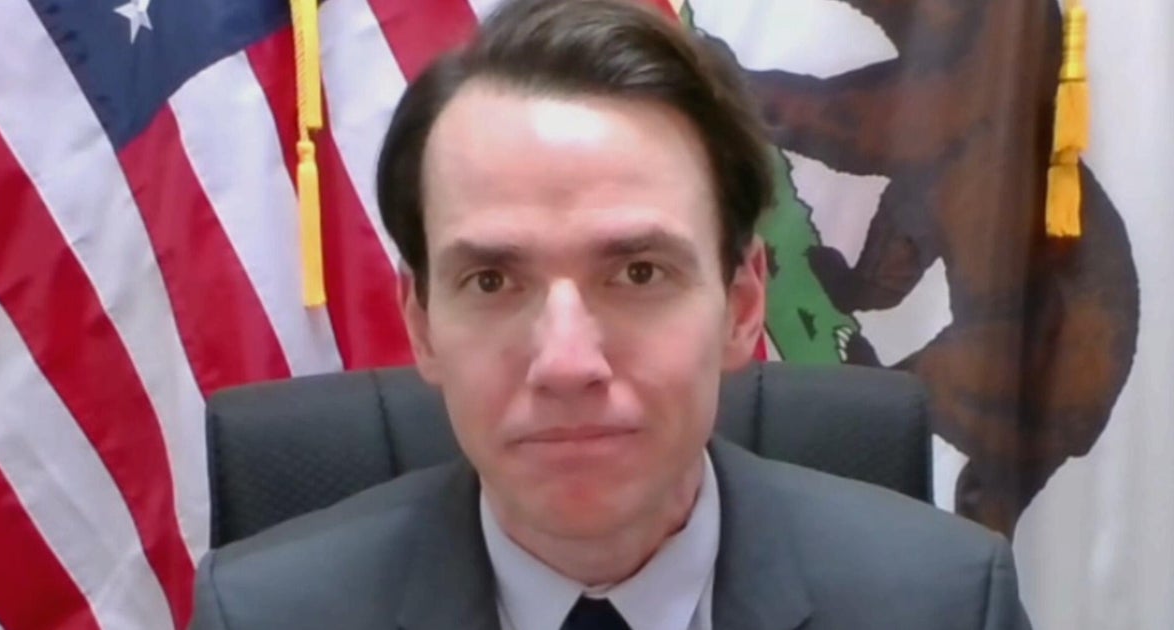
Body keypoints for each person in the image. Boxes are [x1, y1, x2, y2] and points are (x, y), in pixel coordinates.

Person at [189, 0, 1032, 628]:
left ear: (743, 305)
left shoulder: (946, 605)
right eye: (492, 281)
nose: (566, 364)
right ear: (421, 324)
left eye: (637, 272)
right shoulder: (263, 617)